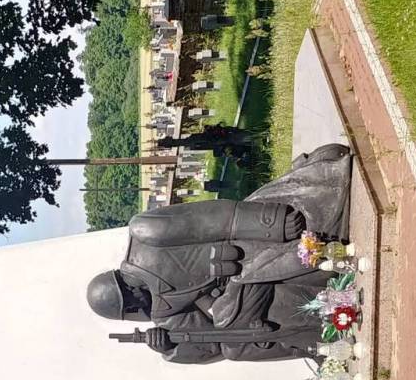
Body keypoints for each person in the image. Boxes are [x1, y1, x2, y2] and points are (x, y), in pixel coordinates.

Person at [86, 144, 355, 363]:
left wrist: (271, 222)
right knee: (234, 348)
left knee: (320, 221)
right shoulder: (162, 313)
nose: (138, 312)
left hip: (252, 242)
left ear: (126, 293)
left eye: (130, 309)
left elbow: (209, 219)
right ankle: (317, 343)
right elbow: (209, 342)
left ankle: (325, 276)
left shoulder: (144, 234)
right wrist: (171, 347)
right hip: (244, 286)